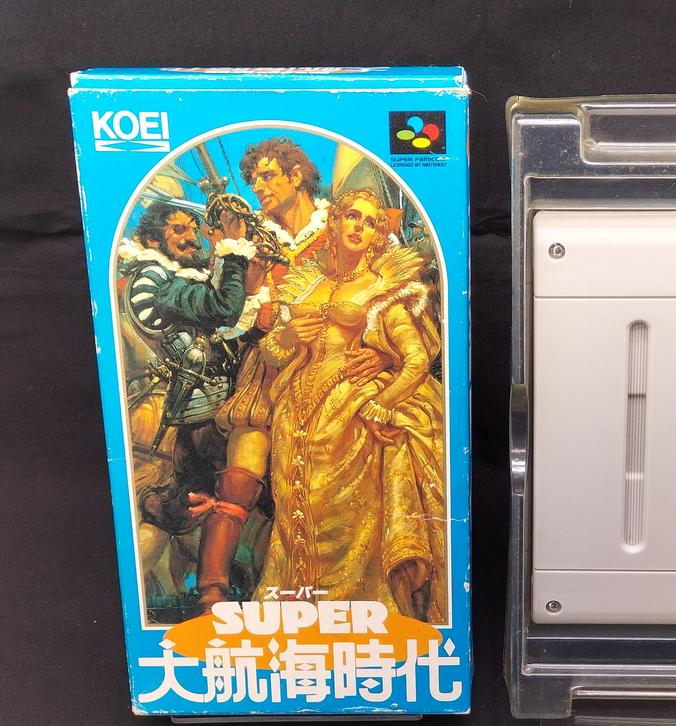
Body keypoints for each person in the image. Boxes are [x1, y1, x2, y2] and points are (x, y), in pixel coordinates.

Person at [195, 138, 384, 611]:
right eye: (253, 179)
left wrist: (382, 356)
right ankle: (211, 594)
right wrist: (255, 306)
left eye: (266, 176)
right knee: (242, 473)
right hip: (270, 368)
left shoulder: (344, 222)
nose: (258, 187)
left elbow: (390, 295)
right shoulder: (249, 242)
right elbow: (229, 318)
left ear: (295, 176)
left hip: (340, 370)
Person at [250, 188, 447, 621]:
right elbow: (272, 352)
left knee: (345, 524)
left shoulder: (385, 288)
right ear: (334, 222)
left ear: (377, 236)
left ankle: (355, 617)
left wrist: (381, 402)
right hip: (295, 416)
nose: (360, 227)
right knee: (293, 513)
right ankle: (301, 614)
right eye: (353, 217)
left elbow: (417, 358)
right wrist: (287, 337)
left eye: (371, 222)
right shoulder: (308, 282)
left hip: (349, 420)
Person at [116, 199, 259, 603]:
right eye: (178, 230)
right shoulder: (154, 281)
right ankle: (210, 591)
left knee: (203, 502)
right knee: (238, 489)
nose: (191, 238)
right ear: (151, 239)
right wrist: (234, 249)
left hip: (207, 411)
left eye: (192, 229)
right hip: (201, 418)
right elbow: (222, 308)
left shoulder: (173, 278)